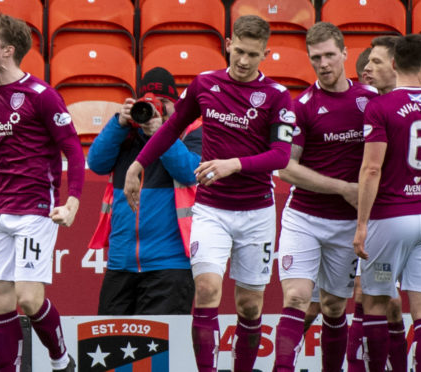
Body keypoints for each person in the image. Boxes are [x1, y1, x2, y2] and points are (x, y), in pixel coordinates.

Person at [124, 15, 295, 372]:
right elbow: (172, 127)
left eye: (253, 55)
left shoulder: (278, 97)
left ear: (266, 53)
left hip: (257, 211)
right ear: (229, 43)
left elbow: (280, 155)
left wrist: (234, 164)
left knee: (249, 305)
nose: (244, 61)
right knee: (206, 290)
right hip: (212, 209)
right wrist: (138, 164)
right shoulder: (204, 84)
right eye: (239, 52)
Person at [0, 13, 84, 372]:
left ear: (8, 50)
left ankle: (61, 360)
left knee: (29, 298)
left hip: (36, 208)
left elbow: (73, 150)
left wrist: (72, 203)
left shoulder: (42, 96)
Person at [273, 22, 377, 372]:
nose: (324, 64)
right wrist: (343, 188)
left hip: (349, 224)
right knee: (298, 297)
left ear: (345, 54)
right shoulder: (297, 106)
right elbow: (285, 167)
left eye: (330, 55)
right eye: (316, 58)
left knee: (334, 307)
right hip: (304, 217)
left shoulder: (370, 101)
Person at [353, 33, 421, 372]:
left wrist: (362, 224)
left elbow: (371, 168)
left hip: (391, 216)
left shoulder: (380, 107)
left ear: (394, 63)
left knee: (375, 303)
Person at [87, 67, 201, 315]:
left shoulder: (191, 132)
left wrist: (162, 134)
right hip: (121, 263)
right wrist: (119, 123)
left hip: (170, 264)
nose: (155, 109)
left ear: (176, 106)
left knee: (162, 350)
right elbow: (96, 163)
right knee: (111, 345)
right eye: (148, 103)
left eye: (163, 103)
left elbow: (190, 173)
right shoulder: (124, 133)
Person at [346, 35, 409, 372]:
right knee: (368, 297)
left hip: (392, 214)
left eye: (375, 64)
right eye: (365, 68)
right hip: (365, 215)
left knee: (390, 303)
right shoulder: (365, 106)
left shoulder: (399, 109)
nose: (367, 73)